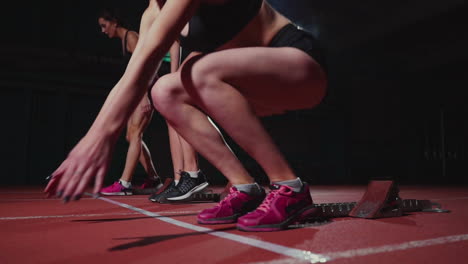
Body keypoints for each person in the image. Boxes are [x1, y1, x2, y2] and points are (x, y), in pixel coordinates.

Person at [45, 0, 327, 232]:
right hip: (253, 90)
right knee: (165, 91)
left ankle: (291, 188)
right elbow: (135, 73)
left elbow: (147, 61)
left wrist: (101, 137)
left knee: (196, 71)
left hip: (299, 66)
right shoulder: (152, 14)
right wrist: (94, 137)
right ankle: (245, 187)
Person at [96, 8, 208, 200]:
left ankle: (127, 182)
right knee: (135, 134)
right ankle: (172, 178)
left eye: (104, 25)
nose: (103, 30)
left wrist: (144, 95)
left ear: (114, 22)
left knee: (140, 132)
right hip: (152, 83)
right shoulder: (148, 16)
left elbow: (149, 64)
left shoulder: (134, 35)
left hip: (156, 82)